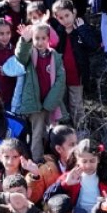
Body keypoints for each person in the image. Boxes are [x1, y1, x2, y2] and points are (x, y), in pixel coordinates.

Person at [12, 23, 67, 161]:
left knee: (55, 132)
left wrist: (50, 102)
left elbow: (61, 80)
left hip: (51, 102)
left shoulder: (55, 56)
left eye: (43, 38)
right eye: (36, 38)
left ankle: (57, 160)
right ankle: (37, 163)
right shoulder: (30, 54)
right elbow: (20, 57)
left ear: (49, 39)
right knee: (36, 134)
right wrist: (25, 41)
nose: (40, 42)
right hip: (35, 104)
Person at [49, 0, 99, 127]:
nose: (65, 20)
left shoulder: (82, 28)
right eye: (61, 18)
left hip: (77, 75)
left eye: (67, 15)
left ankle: (81, 130)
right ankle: (64, 132)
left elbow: (93, 45)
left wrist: (81, 29)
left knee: (76, 104)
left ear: (74, 13)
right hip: (60, 77)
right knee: (61, 104)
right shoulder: (57, 32)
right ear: (56, 18)